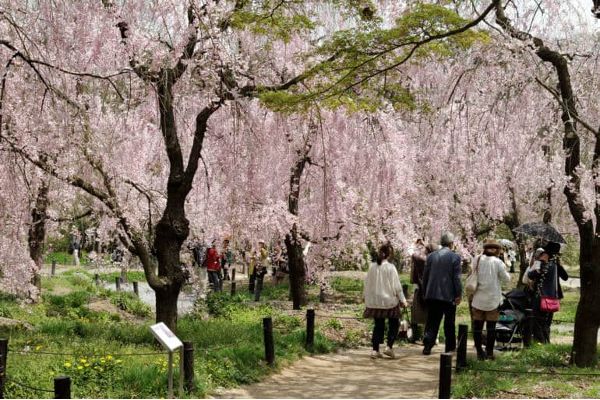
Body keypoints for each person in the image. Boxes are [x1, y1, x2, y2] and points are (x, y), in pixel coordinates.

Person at [363, 242, 408, 359]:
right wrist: (403, 300)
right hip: (389, 301)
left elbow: (367, 283)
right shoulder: (390, 267)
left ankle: (375, 350)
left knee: (378, 325)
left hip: (375, 301)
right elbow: (397, 287)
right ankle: (389, 347)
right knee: (394, 323)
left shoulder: (372, 266)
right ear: (389, 255)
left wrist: (366, 297)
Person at [469, 239, 511, 360]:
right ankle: (489, 352)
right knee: (491, 328)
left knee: (477, 327)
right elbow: (506, 279)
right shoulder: (498, 262)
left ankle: (479, 352)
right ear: (496, 250)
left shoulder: (477, 259)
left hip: (478, 299)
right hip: (493, 300)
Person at [422, 232, 462, 355]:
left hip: (432, 294)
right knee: (449, 322)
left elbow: (425, 277)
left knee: (432, 321)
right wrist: (458, 294)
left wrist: (425, 292)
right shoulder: (455, 257)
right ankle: (449, 348)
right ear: (451, 244)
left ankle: (427, 346)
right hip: (448, 295)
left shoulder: (431, 256)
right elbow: (456, 278)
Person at [526, 242, 568, 343]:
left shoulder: (541, 262)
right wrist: (558, 265)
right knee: (546, 322)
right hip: (553, 298)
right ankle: (546, 342)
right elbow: (565, 277)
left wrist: (538, 264)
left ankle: (541, 343)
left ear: (547, 252)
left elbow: (531, 275)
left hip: (540, 297)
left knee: (538, 321)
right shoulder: (555, 264)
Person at [409, 239, 431, 343]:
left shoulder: (423, 259)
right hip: (429, 290)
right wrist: (424, 245)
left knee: (416, 314)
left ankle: (416, 336)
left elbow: (414, 255)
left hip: (420, 289)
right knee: (426, 315)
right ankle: (425, 337)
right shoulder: (431, 259)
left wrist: (416, 245)